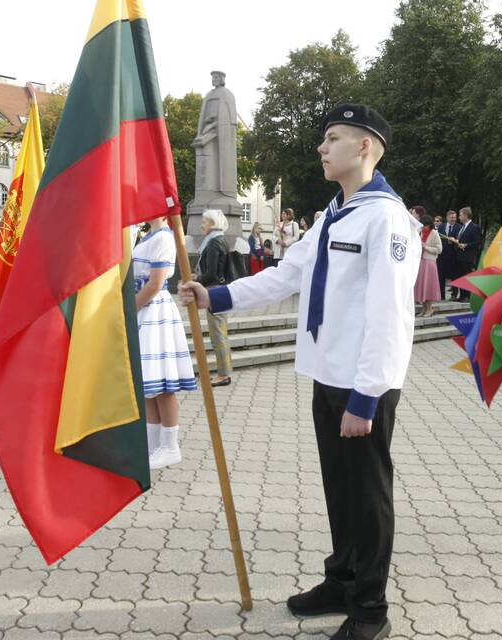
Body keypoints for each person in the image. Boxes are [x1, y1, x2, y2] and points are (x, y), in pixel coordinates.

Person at [180, 104, 420, 640]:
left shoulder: (387, 217)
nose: (321, 147)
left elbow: (390, 314)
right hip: (328, 374)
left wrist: (366, 396)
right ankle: (342, 581)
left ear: (365, 147)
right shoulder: (335, 214)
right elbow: (285, 276)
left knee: (367, 493)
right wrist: (215, 294)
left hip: (364, 384)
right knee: (340, 489)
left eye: (332, 138)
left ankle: (370, 611)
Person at [132, 215, 197, 470]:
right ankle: (153, 444)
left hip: (153, 310)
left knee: (162, 383)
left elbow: (155, 283)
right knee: (149, 382)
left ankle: (170, 445)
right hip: (143, 310)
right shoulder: (146, 235)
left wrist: (130, 308)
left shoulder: (164, 238)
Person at [195, 209, 234, 387]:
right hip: (221, 290)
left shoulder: (213, 243)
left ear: (212, 223)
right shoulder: (220, 239)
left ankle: (223, 374)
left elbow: (211, 273)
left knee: (218, 334)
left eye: (204, 221)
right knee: (220, 333)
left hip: (215, 292)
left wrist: (195, 281)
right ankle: (224, 372)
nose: (201, 224)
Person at [413, 214, 442, 317]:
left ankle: (430, 308)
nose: (423, 227)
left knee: (428, 286)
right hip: (420, 261)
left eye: (425, 225)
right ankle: (424, 308)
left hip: (429, 263)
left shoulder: (434, 233)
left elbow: (439, 249)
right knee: (421, 286)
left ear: (429, 225)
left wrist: (426, 247)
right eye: (422, 225)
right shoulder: (419, 232)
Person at [450, 207, 481, 300]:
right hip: (459, 256)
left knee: (467, 276)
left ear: (466, 215)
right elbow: (460, 240)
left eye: (460, 215)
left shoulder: (474, 227)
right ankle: (462, 296)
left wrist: (466, 245)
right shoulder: (462, 227)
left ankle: (468, 296)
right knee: (460, 276)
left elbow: (477, 242)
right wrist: (456, 241)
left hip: (468, 257)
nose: (459, 217)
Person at [437, 210, 460, 299]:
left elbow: (460, 241)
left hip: (453, 255)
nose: (453, 219)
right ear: (447, 218)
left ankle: (454, 294)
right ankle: (441, 295)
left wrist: (454, 242)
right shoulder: (441, 227)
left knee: (454, 275)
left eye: (455, 217)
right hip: (442, 255)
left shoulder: (459, 227)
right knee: (441, 275)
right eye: (451, 217)